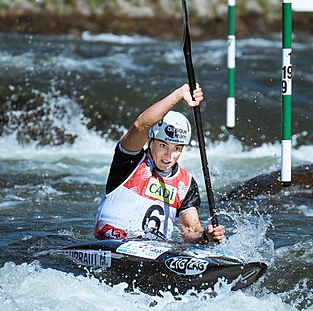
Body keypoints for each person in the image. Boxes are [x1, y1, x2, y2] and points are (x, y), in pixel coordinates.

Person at [94, 83, 225, 244]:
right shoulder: (130, 161)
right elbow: (140, 124)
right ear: (150, 140)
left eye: (176, 148)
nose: (169, 156)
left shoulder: (186, 184)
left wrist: (206, 236)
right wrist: (179, 94)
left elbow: (191, 232)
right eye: (163, 146)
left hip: (154, 252)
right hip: (111, 242)